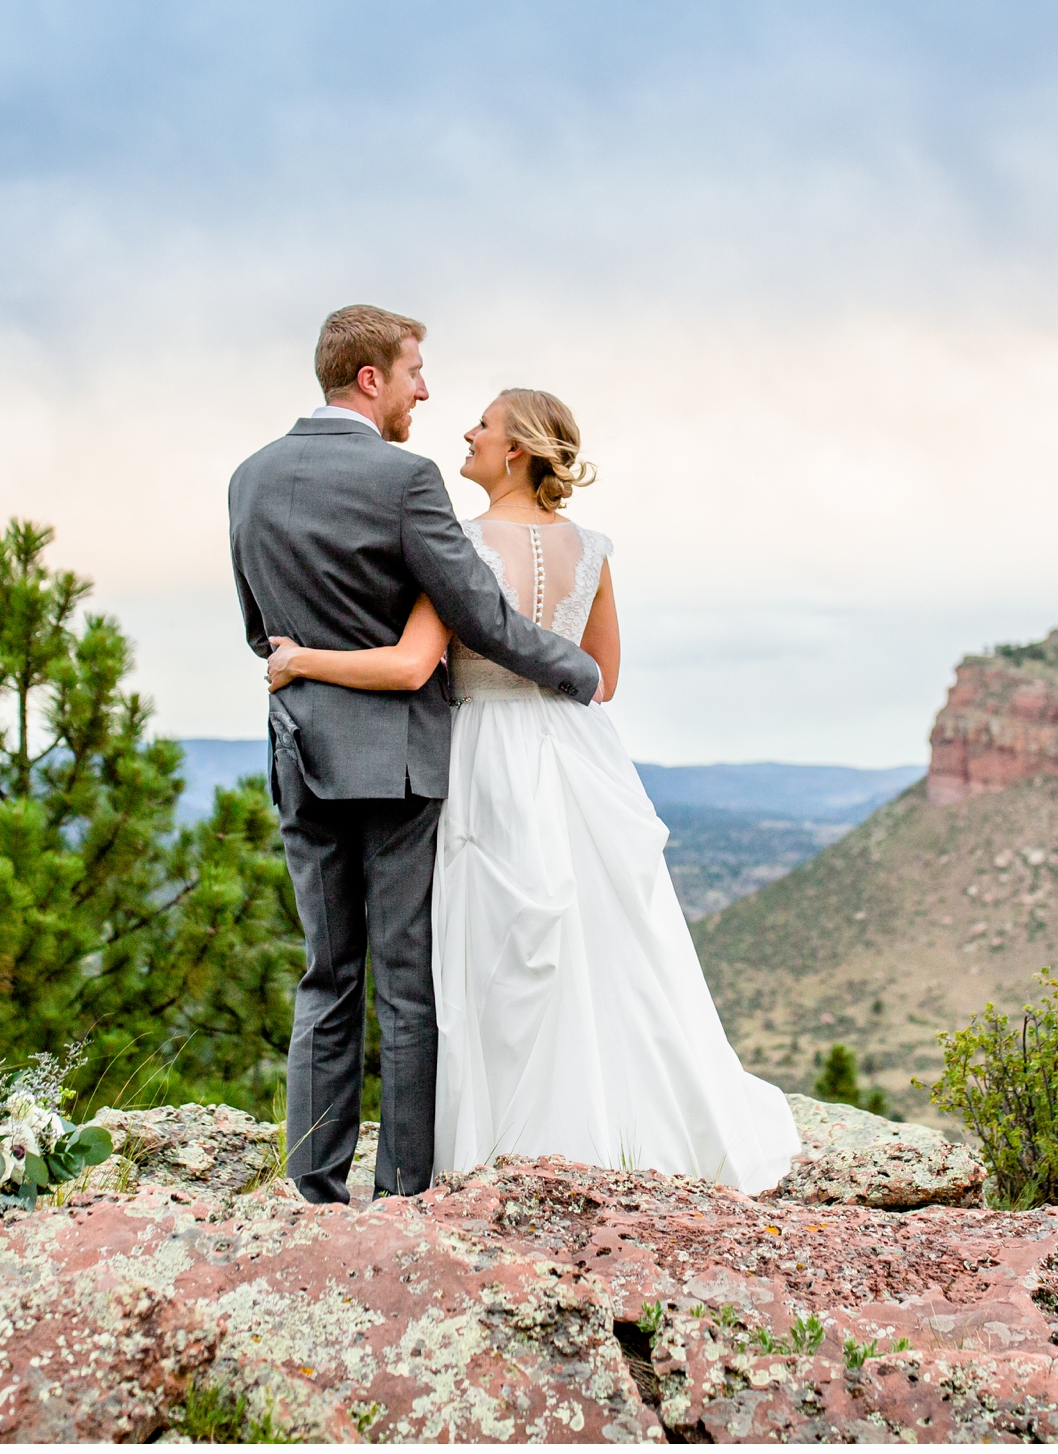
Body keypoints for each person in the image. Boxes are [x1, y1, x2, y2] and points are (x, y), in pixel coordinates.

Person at [264, 387, 803, 1193]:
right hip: (577, 750)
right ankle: (616, 1125)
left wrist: (299, 660)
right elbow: (604, 679)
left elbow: (412, 665)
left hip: (486, 750)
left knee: (494, 953)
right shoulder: (591, 548)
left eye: (482, 424)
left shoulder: (461, 544)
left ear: (516, 448)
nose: (469, 433)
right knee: (600, 943)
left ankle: (496, 1148)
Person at [227, 306, 602, 1204]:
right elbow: (478, 611)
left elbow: (260, 633)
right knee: (405, 986)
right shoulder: (406, 479)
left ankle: (312, 1186)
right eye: (413, 373)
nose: (423, 392)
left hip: (303, 753)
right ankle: (401, 1196)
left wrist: (309, 673)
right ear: (370, 379)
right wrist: (575, 669)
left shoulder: (248, 479)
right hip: (400, 767)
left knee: (327, 974)